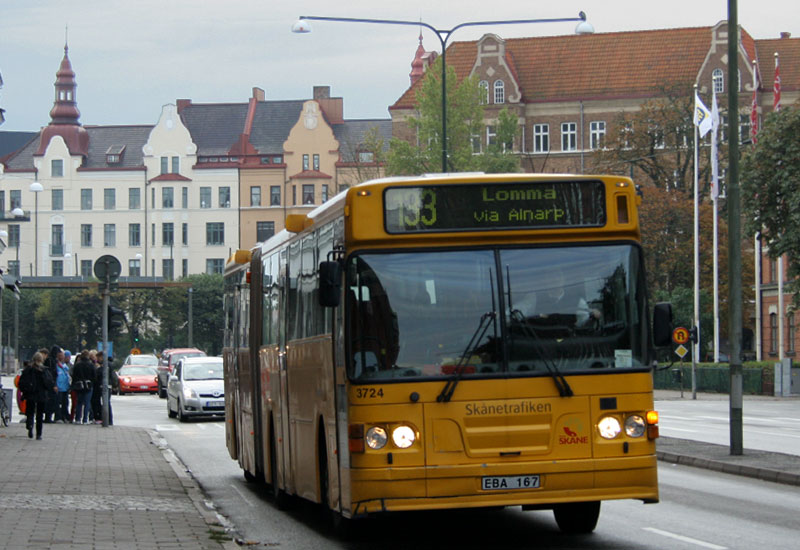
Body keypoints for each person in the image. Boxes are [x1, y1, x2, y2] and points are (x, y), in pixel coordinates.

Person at [18, 352, 55, 440]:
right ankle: (39, 434)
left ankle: (30, 426)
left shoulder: (28, 370)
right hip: (41, 394)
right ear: (42, 360)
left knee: (30, 412)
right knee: (40, 414)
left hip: (30, 394)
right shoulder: (44, 370)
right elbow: (49, 382)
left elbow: (21, 383)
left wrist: (25, 391)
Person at [71, 350, 95, 424]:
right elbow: (94, 375)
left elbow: (74, 375)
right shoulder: (91, 365)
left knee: (79, 402)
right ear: (88, 356)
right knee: (87, 403)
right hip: (88, 385)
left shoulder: (77, 365)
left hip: (79, 386)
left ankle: (78, 419)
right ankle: (85, 419)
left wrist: (74, 384)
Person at [54, 349, 72, 423]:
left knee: (65, 403)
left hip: (65, 387)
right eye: (61, 355)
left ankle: (64, 416)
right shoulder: (56, 365)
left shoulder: (64, 366)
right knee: (58, 403)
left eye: (63, 355)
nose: (62, 357)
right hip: (59, 387)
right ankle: (58, 417)